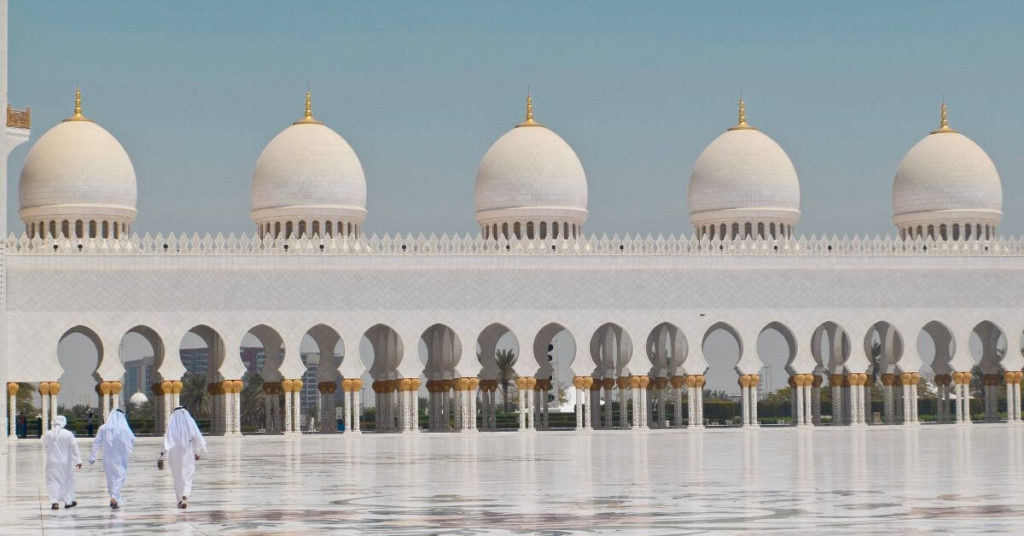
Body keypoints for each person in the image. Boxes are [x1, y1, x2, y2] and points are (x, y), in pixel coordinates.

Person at [158, 407, 207, 509]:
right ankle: (185, 496)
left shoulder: (172, 425)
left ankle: (180, 499)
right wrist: (197, 452)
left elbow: (166, 441)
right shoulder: (190, 424)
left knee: (177, 478)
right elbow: (196, 437)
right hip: (187, 453)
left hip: (174, 455)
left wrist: (162, 457)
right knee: (187, 476)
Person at [88, 408, 136, 509]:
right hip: (120, 458)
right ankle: (114, 497)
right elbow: (132, 439)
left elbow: (97, 442)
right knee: (120, 477)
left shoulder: (103, 428)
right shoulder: (124, 428)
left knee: (110, 480)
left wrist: (93, 457)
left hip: (107, 459)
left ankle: (115, 500)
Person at [43, 415, 82, 510]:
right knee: (67, 481)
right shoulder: (68, 434)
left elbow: (45, 446)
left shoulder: (47, 434)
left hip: (52, 461)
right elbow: (74, 447)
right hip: (65, 461)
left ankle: (54, 502)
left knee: (53, 481)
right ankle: (68, 501)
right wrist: (78, 460)